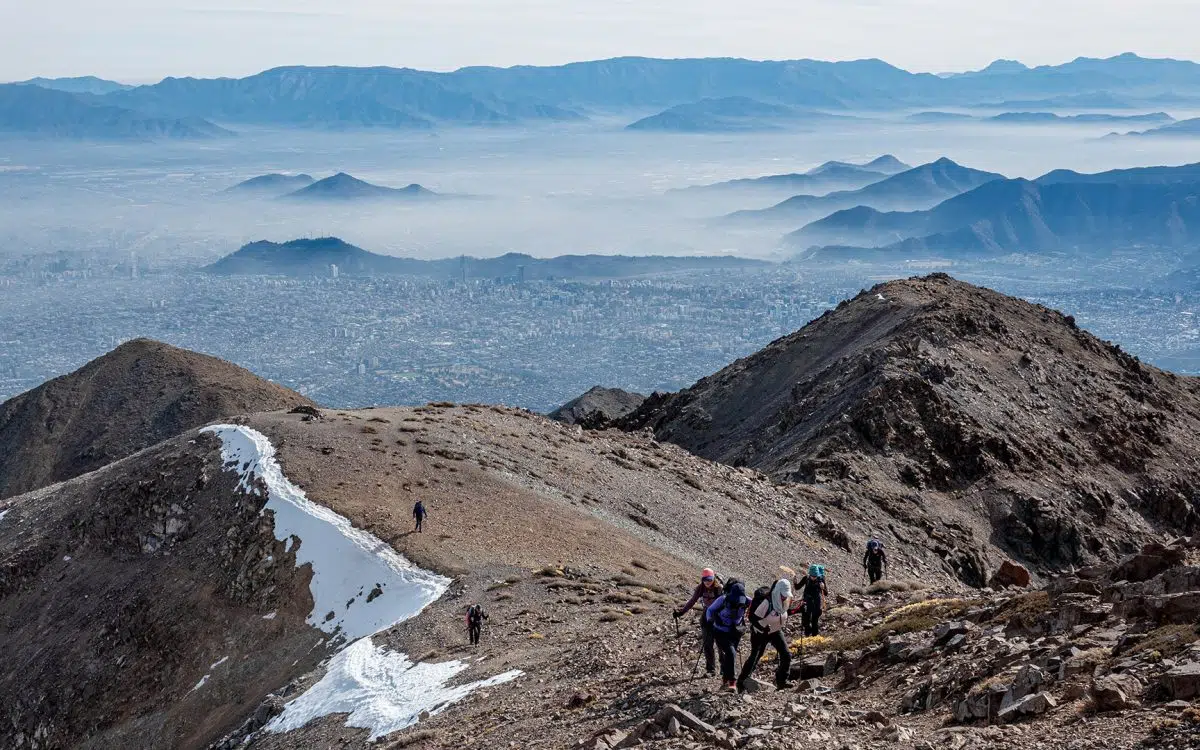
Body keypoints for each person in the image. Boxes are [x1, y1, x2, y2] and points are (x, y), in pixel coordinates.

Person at [737, 577, 797, 692]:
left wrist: (799, 609)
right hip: (759, 633)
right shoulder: (766, 602)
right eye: (783, 594)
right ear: (777, 591)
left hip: (775, 631)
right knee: (755, 656)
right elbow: (753, 618)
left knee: (786, 654)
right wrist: (762, 629)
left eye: (786, 594)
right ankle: (742, 682)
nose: (784, 596)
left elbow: (785, 612)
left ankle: (782, 682)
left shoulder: (785, 601)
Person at [705, 579, 750, 692]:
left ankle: (725, 680)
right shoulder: (723, 599)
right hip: (720, 631)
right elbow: (710, 610)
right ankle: (732, 683)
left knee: (730, 656)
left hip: (736, 632)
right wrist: (709, 620)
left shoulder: (745, 600)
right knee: (731, 653)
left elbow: (756, 604)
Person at [800, 564, 828, 637]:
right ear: (809, 574)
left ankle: (814, 637)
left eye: (815, 576)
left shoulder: (821, 580)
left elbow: (826, 593)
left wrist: (823, 587)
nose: (813, 578)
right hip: (807, 602)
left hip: (816, 602)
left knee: (814, 621)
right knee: (806, 621)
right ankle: (807, 636)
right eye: (812, 576)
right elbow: (797, 587)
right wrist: (794, 581)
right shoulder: (806, 579)